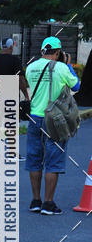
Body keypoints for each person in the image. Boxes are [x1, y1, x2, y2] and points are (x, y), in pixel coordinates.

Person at [25, 36, 80, 215]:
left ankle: (35, 200)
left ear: (42, 50)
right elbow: (76, 86)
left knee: (34, 159)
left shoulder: (31, 67)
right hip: (54, 119)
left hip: (34, 117)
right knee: (53, 161)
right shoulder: (62, 68)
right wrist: (69, 65)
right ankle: (48, 203)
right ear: (57, 52)